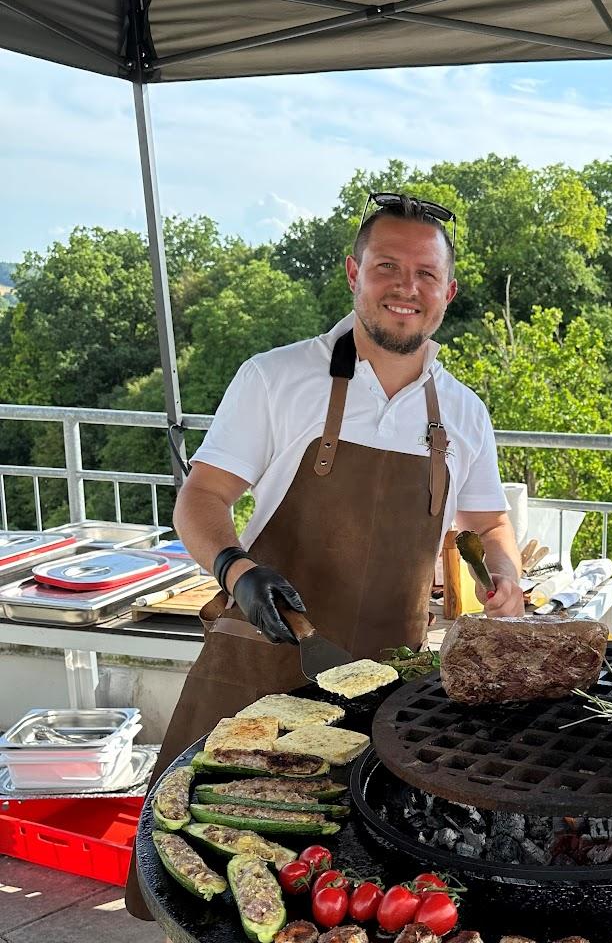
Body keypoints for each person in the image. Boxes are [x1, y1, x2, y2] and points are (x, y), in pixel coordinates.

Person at [127, 192, 522, 919]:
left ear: (449, 291)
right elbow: (202, 498)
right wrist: (235, 571)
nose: (407, 287)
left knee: (347, 890)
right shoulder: (278, 378)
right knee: (213, 887)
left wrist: (503, 570)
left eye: (426, 274)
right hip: (261, 665)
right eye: (388, 267)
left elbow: (488, 522)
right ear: (353, 273)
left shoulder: (462, 411)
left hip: (383, 690)